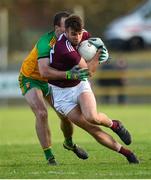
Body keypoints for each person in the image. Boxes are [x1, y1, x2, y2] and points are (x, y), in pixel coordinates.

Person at [48, 15, 139, 164]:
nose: (77, 37)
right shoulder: (64, 48)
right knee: (92, 128)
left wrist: (101, 50)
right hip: (61, 94)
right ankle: (127, 153)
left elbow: (92, 45)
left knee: (93, 117)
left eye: (79, 33)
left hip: (79, 84)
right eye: (73, 34)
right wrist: (98, 54)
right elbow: (89, 71)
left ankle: (115, 125)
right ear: (66, 32)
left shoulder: (82, 34)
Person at [18, 11, 90, 166]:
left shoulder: (70, 38)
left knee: (65, 114)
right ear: (57, 28)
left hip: (52, 80)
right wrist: (70, 75)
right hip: (32, 78)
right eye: (65, 27)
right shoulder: (46, 42)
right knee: (42, 113)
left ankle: (69, 143)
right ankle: (50, 157)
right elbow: (44, 71)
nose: (69, 30)